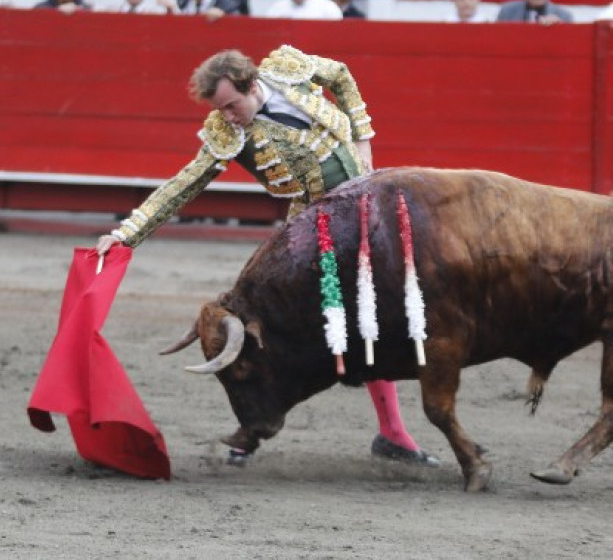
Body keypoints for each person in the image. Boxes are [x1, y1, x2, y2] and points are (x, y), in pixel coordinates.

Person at [95, 45, 439, 468]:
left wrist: (363, 137)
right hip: (315, 233)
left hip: (370, 215)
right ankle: (254, 430)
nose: (226, 117)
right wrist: (125, 234)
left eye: (231, 106)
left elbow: (340, 74)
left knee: (373, 320)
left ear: (253, 85)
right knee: (297, 328)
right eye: (219, 109)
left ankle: (391, 434)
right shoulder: (228, 135)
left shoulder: (289, 69)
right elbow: (182, 186)